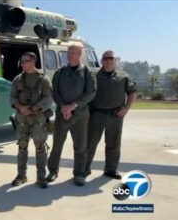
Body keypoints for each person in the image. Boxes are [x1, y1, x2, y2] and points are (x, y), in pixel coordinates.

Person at [47, 45, 97, 186]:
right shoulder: (60, 72)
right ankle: (52, 171)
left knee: (80, 146)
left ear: (80, 54)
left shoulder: (87, 72)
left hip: (80, 115)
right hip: (62, 114)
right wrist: (63, 106)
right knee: (57, 144)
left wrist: (74, 105)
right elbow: (54, 92)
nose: (70, 55)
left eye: (74, 52)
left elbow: (91, 92)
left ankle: (79, 173)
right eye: (69, 52)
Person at [85, 50, 137, 180]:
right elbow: (86, 93)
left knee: (113, 144)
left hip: (115, 115)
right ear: (102, 60)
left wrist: (126, 108)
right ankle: (84, 168)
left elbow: (132, 92)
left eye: (111, 58)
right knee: (89, 143)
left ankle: (110, 169)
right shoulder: (94, 75)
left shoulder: (123, 76)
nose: (108, 60)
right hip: (96, 114)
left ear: (115, 60)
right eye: (105, 58)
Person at [9, 52, 53, 189]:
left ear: (33, 61)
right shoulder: (18, 79)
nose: (22, 64)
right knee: (22, 147)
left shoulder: (43, 79)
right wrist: (21, 108)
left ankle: (41, 177)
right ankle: (21, 175)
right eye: (21, 61)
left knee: (40, 147)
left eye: (25, 61)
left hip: (38, 119)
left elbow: (49, 99)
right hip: (22, 118)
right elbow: (12, 97)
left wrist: (34, 109)